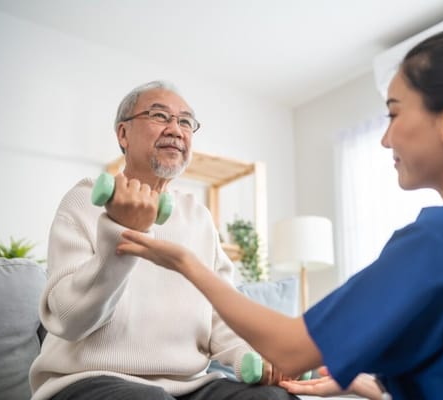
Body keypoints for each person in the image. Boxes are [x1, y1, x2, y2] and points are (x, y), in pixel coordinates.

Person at [116, 28, 443, 400]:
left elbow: (290, 349)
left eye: (394, 114)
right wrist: (364, 381)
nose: (385, 139)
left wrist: (185, 262)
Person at [29, 81, 298, 400]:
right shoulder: (84, 200)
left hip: (189, 384)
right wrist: (121, 231)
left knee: (273, 399)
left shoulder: (199, 217)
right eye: (159, 116)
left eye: (185, 121)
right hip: (87, 379)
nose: (175, 129)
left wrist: (248, 356)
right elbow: (68, 319)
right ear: (123, 134)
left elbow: (220, 317)